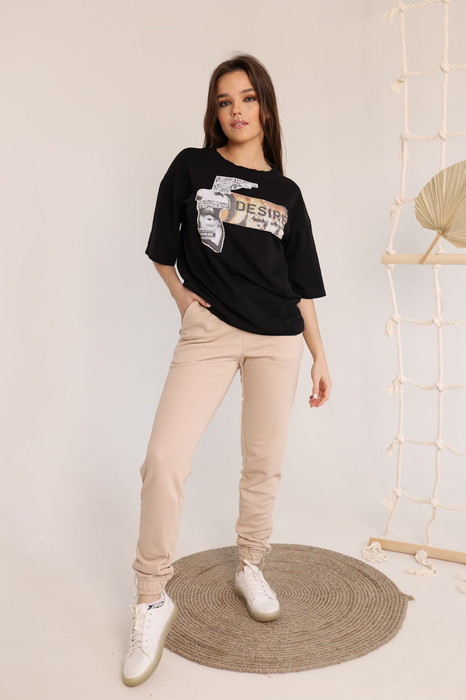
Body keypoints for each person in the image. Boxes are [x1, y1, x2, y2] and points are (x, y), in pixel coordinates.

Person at [122, 52, 331, 687]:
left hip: (279, 341)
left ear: (265, 106)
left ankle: (250, 564)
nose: (236, 110)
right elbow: (162, 251)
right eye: (224, 101)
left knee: (263, 461)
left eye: (247, 98)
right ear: (215, 112)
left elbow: (301, 285)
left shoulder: (287, 194)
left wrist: (320, 354)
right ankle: (152, 597)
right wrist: (184, 301)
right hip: (209, 333)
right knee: (164, 460)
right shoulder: (192, 167)